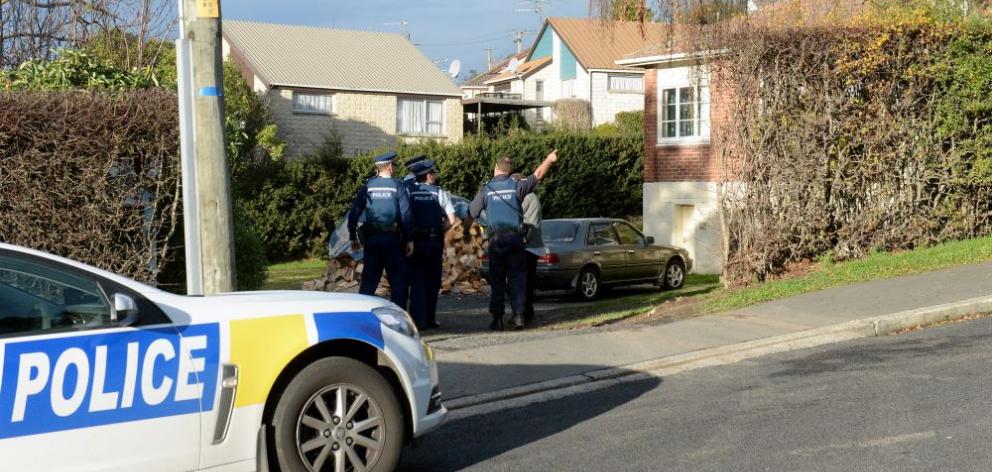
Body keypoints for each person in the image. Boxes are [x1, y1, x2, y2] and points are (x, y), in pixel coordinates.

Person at [465, 150, 558, 330]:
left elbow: (471, 213)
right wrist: (549, 159)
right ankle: (518, 317)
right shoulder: (517, 185)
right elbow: (538, 174)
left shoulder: (486, 189)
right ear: (509, 170)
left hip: (497, 241)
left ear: (495, 169)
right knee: (517, 279)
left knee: (497, 280)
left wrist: (466, 232)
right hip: (516, 240)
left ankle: (497, 319)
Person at [347, 151, 414, 307]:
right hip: (392, 240)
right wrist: (410, 239)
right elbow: (406, 215)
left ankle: (363, 315)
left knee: (369, 280)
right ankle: (398, 316)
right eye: (394, 165)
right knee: (398, 281)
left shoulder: (368, 186)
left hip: (372, 240)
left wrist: (352, 237)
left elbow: (354, 213)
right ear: (390, 166)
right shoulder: (398, 185)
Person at [407, 159, 458, 330]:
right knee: (433, 280)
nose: (435, 176)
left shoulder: (409, 191)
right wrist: (439, 229)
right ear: (428, 176)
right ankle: (430, 319)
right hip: (434, 240)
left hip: (415, 241)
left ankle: (417, 320)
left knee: (417, 281)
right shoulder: (439, 192)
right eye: (433, 173)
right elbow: (451, 219)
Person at [512, 173, 544, 325]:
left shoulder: (527, 197)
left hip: (527, 246)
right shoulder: (532, 197)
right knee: (528, 282)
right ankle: (528, 312)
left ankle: (523, 313)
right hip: (533, 246)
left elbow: (513, 214)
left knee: (522, 282)